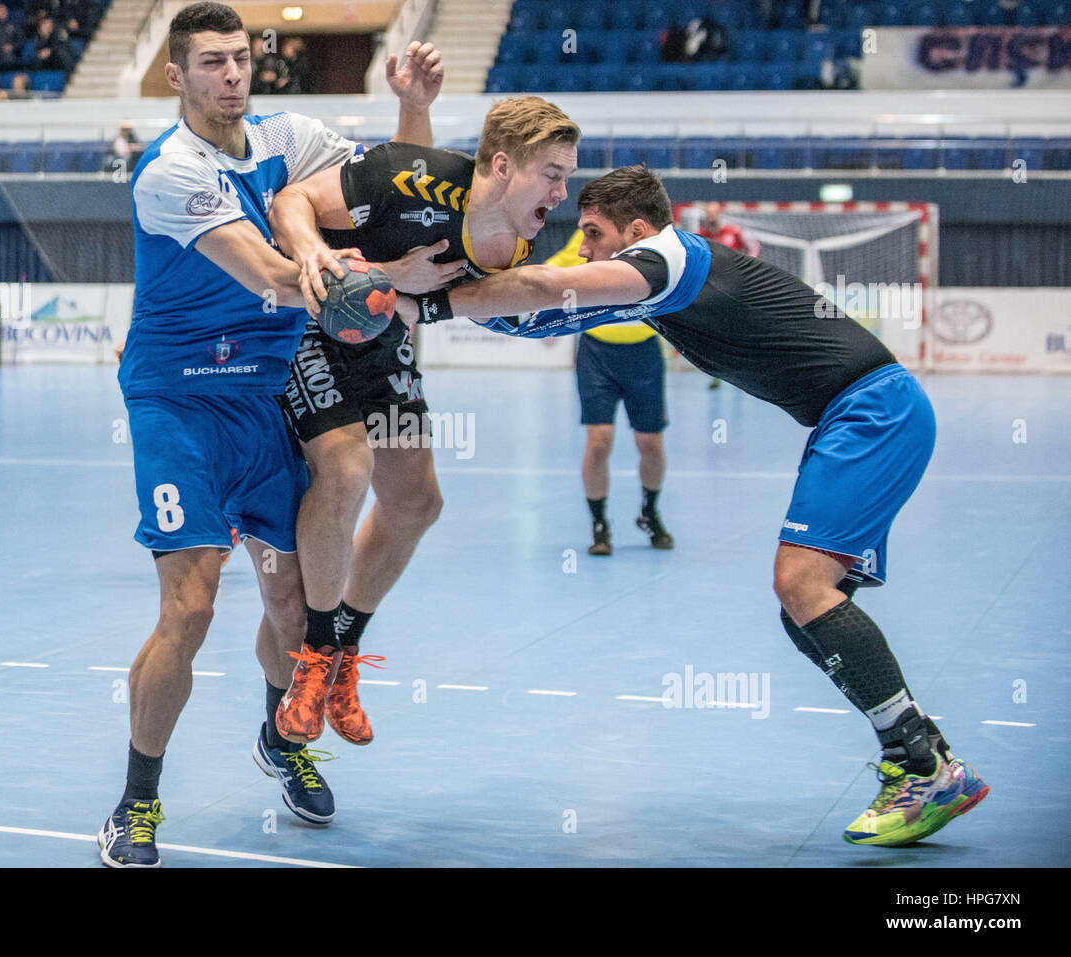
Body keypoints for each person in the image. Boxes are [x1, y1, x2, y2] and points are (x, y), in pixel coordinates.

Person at [399, 165, 989, 848]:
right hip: (857, 416)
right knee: (806, 615)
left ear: (638, 233)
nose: (583, 247)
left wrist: (433, 301)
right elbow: (537, 317)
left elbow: (540, 285)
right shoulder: (655, 285)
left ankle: (924, 765)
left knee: (801, 584)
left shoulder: (669, 259)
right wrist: (414, 301)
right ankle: (924, 758)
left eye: (593, 234)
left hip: (872, 412)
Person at [97, 1, 442, 868]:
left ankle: (280, 739)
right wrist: (394, 282)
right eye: (211, 62)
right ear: (175, 75)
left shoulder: (289, 133)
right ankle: (137, 800)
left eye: (241, 59)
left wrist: (410, 106)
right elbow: (275, 279)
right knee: (194, 604)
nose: (232, 75)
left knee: (294, 602)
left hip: (264, 399)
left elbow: (390, 186)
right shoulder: (169, 172)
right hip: (180, 406)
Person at [266, 95, 576, 747]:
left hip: (384, 339)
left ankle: (346, 651)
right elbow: (289, 205)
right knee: (347, 469)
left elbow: (469, 297)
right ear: (502, 165)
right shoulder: (406, 175)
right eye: (552, 172)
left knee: (417, 501)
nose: (562, 190)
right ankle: (316, 657)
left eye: (567, 176)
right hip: (313, 322)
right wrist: (333, 263)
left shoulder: (511, 239)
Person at [545, 229, 673, 555]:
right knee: (599, 441)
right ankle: (599, 524)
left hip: (643, 353)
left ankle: (649, 512)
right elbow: (553, 273)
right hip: (597, 353)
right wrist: (544, 316)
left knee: (650, 444)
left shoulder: (650, 242)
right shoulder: (588, 238)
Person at [696, 201, 759, 389]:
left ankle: (744, 371)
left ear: (720, 213)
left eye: (714, 213)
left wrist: (746, 269)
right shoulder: (701, 236)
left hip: (736, 290)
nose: (711, 216)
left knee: (738, 329)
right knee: (713, 331)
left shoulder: (734, 232)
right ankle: (716, 373)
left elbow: (754, 248)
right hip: (713, 292)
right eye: (708, 213)